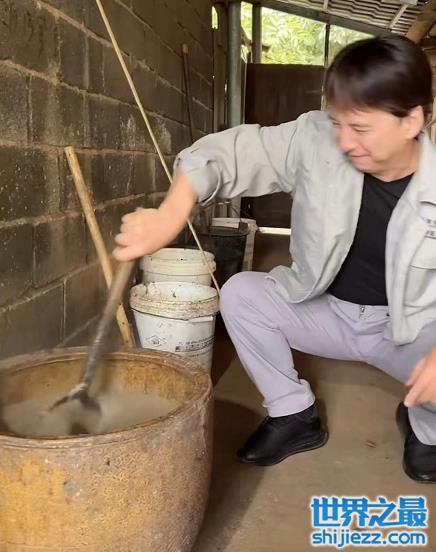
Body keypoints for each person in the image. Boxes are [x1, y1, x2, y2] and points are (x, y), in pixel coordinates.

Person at [114, 36, 436, 483]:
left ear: (412, 120)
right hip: (328, 310)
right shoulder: (316, 140)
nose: (344, 141)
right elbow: (230, 154)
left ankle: (426, 428)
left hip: (411, 331)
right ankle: (294, 415)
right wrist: (171, 213)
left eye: (360, 128)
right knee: (241, 294)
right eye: (338, 122)